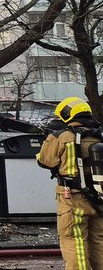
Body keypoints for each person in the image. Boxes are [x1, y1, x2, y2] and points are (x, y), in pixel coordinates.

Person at [37, 96, 103, 269]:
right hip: (99, 197)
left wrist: (49, 139)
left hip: (72, 199)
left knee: (74, 241)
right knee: (99, 241)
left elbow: (45, 161)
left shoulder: (63, 136)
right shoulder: (99, 136)